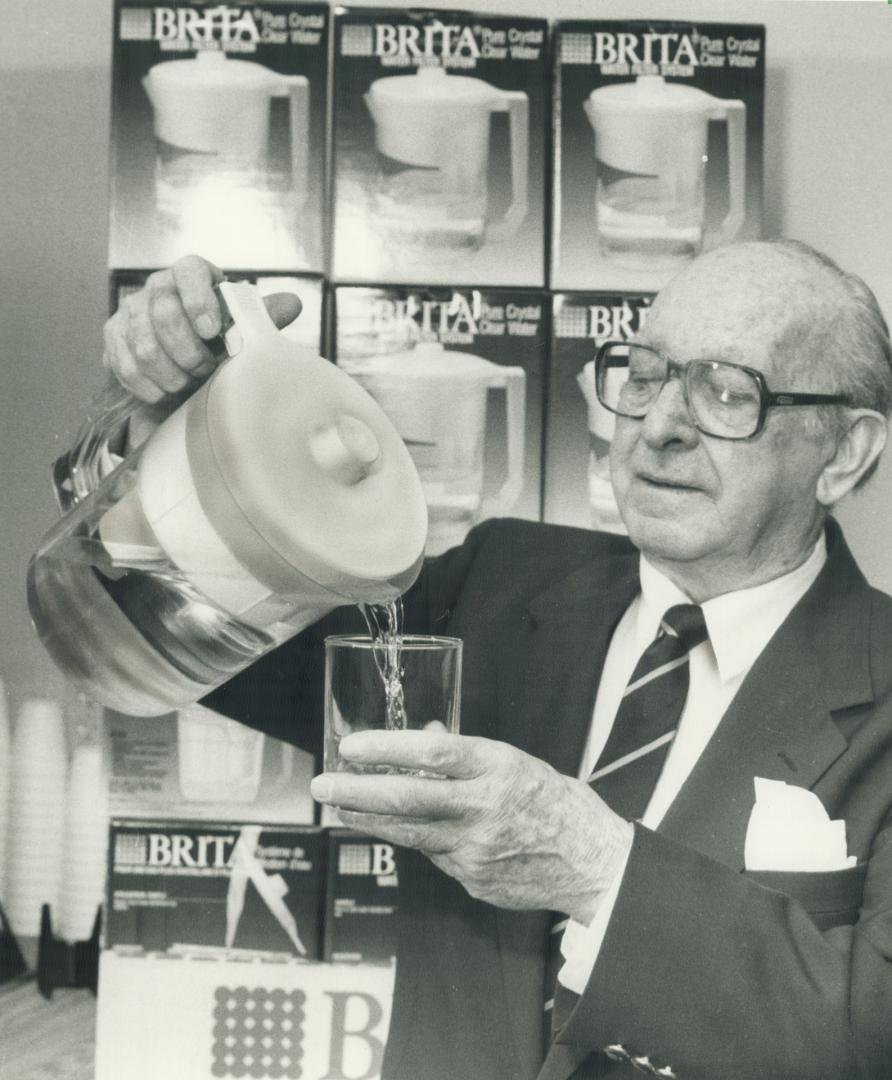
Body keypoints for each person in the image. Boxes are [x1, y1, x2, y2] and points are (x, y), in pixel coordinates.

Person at [104, 240, 892, 1080]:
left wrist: (600, 868)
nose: (660, 426)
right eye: (643, 372)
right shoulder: (497, 582)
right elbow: (203, 616)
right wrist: (174, 427)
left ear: (844, 453)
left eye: (729, 393)